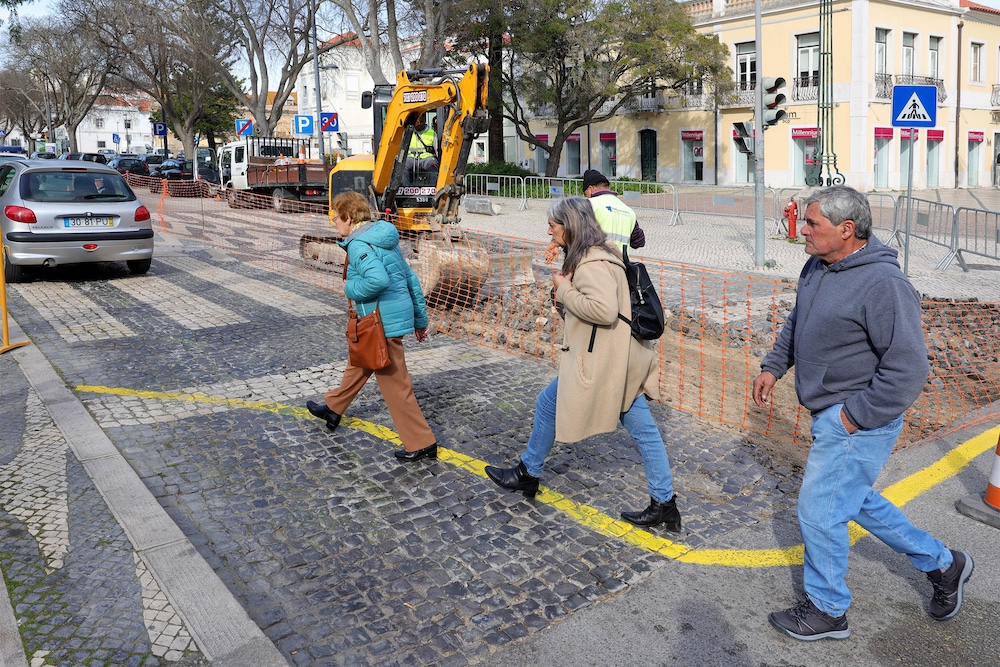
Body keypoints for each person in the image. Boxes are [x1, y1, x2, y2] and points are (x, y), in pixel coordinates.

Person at [752, 185, 973, 641]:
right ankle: (945, 565)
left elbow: (908, 369)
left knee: (818, 511)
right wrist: (775, 365)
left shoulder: (885, 286)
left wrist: (852, 418)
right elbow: (800, 320)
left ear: (847, 230)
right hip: (833, 415)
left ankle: (828, 609)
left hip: (856, 421)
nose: (802, 230)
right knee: (853, 501)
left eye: (812, 224)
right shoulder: (818, 264)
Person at [485, 197, 680, 530]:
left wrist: (563, 291)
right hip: (613, 358)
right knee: (549, 403)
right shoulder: (596, 253)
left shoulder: (592, 262)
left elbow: (603, 311)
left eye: (553, 225)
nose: (548, 230)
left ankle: (664, 503)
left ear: (570, 225)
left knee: (643, 432)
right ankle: (528, 472)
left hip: (608, 364)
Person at [305, 190, 438, 462]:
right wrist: (420, 320)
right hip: (382, 320)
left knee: (395, 386)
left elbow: (377, 281)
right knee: (360, 362)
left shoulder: (358, 244)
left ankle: (421, 442)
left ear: (349, 217)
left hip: (380, 322)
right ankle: (333, 407)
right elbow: (410, 278)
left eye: (336, 218)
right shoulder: (383, 237)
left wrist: (350, 288)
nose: (334, 223)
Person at [581, 169, 645, 255]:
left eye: (586, 194)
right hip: (620, 265)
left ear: (591, 189)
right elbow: (639, 241)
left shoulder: (589, 204)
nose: (586, 197)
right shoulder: (628, 211)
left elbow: (576, 235)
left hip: (596, 264)